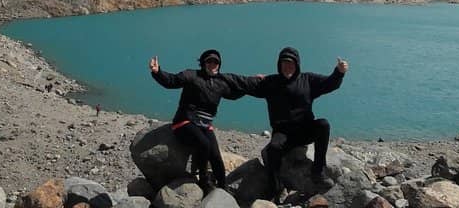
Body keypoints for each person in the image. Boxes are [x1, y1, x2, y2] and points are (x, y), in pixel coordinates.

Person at [237, 47, 348, 193]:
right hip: (283, 133)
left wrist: (339, 72)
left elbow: (329, 83)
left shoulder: (308, 80)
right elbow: (244, 84)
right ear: (279, 64)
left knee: (323, 124)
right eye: (284, 63)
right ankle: (274, 182)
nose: (287, 66)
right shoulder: (270, 82)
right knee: (273, 149)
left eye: (291, 63)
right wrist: (250, 79)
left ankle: (318, 171)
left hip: (305, 131)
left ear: (297, 65)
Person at [149, 49, 251, 191]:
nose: (213, 64)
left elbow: (233, 94)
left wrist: (249, 88)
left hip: (205, 125)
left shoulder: (220, 83)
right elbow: (171, 81)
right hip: (184, 122)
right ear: (203, 63)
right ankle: (203, 179)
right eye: (209, 61)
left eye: (216, 62)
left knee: (215, 155)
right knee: (204, 144)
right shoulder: (191, 75)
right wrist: (157, 71)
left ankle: (223, 187)